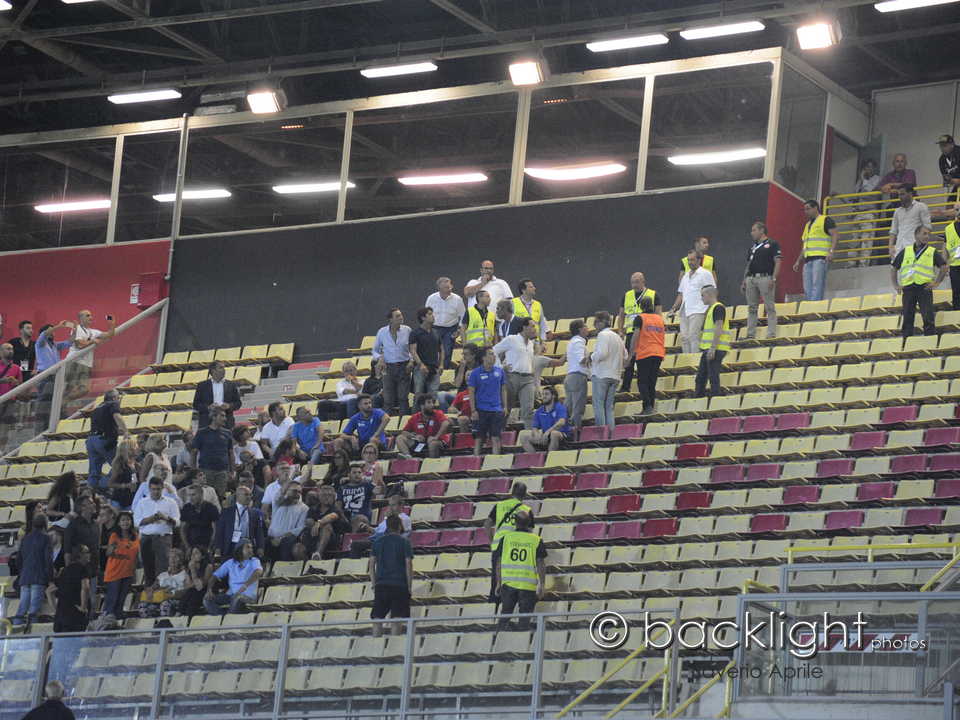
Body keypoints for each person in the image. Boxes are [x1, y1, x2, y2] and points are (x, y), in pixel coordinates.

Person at [892, 225, 948, 337]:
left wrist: (937, 282)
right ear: (916, 235)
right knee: (907, 317)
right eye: (924, 234)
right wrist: (896, 285)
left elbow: (944, 266)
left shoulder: (932, 251)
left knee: (928, 317)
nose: (927, 236)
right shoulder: (906, 251)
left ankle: (930, 340)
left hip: (924, 288)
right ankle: (906, 341)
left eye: (928, 234)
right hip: (908, 288)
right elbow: (894, 268)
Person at [484, 481, 533, 603]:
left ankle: (495, 607)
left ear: (512, 492)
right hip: (516, 547)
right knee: (514, 578)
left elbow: (487, 524)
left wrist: (492, 541)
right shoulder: (526, 510)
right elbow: (529, 532)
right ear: (524, 495)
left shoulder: (499, 505)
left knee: (496, 579)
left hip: (498, 547)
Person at [495, 511, 545, 630]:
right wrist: (542, 584)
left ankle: (499, 638)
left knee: (504, 618)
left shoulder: (506, 538)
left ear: (515, 522)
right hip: (528, 586)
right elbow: (541, 564)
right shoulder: (536, 539)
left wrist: (498, 582)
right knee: (524, 621)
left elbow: (498, 563)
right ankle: (521, 639)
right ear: (529, 523)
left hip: (508, 584)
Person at [369, 514, 413, 637]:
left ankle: (376, 644)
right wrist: (409, 586)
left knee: (377, 619)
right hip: (399, 584)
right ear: (399, 526)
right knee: (396, 620)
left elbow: (371, 565)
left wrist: (374, 584)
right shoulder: (405, 542)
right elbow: (408, 564)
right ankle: (394, 646)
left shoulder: (377, 542)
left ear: (387, 526)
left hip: (381, 584)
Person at [616, 272, 660, 392]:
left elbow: (658, 315)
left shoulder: (653, 294)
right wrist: (620, 330)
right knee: (629, 360)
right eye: (632, 282)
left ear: (643, 281)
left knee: (642, 361)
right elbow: (621, 315)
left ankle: (644, 388)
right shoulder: (627, 295)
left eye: (637, 282)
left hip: (646, 333)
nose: (634, 285)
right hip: (631, 332)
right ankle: (625, 386)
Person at [133, 476, 180, 586]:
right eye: (153, 489)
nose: (156, 492)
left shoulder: (171, 502)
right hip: (146, 538)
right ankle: (149, 593)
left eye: (158, 489)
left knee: (163, 568)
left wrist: (165, 518)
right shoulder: (142, 502)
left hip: (164, 538)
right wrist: (151, 519)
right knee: (148, 568)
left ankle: (162, 593)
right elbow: (136, 522)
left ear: (162, 488)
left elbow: (177, 523)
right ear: (149, 489)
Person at [493, 317, 537, 429]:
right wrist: (500, 367)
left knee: (529, 409)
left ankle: (529, 434)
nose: (534, 329)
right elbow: (493, 351)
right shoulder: (512, 339)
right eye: (532, 326)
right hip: (512, 377)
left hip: (528, 379)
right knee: (506, 408)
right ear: (524, 327)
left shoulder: (531, 344)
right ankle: (499, 433)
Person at [64, 309, 116, 403]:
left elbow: (109, 335)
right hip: (74, 362)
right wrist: (92, 341)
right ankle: (60, 405)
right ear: (81, 318)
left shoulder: (93, 332)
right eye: (87, 315)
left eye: (91, 315)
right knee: (68, 388)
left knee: (84, 390)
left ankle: (64, 401)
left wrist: (112, 324)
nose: (90, 317)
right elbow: (79, 344)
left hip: (86, 364)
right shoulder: (77, 329)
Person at [741, 220, 781, 339]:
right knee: (752, 308)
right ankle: (750, 334)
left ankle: (771, 333)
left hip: (765, 277)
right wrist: (744, 280)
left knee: (769, 307)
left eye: (754, 230)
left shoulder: (772, 244)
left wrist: (773, 278)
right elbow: (748, 264)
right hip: (751, 278)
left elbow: (778, 261)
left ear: (762, 230)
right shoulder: (752, 247)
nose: (751, 233)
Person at [668, 252, 715, 354]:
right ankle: (687, 359)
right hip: (685, 310)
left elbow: (712, 291)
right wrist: (673, 308)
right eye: (688, 260)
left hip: (699, 309)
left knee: (693, 336)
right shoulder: (685, 276)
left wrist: (711, 308)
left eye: (692, 260)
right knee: (684, 338)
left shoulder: (705, 274)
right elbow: (681, 294)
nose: (690, 262)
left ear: (699, 260)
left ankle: (695, 360)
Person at [792, 200, 838, 302]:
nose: (806, 212)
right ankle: (810, 305)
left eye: (808, 209)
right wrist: (798, 261)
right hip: (808, 260)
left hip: (820, 258)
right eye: (804, 209)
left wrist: (831, 251)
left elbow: (835, 235)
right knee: (807, 286)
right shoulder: (807, 225)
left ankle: (815, 306)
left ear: (815, 208)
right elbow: (805, 245)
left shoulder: (825, 220)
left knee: (817, 284)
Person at [13, 513, 53, 626]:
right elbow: (48, 560)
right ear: (45, 524)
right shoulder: (46, 538)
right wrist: (50, 578)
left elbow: (18, 559)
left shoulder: (25, 538)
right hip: (39, 577)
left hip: (25, 577)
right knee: (34, 610)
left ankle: (15, 630)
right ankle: (32, 633)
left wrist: (22, 572)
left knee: (22, 608)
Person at [372, 308, 413, 416]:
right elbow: (374, 351)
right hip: (388, 367)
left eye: (401, 315)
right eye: (397, 316)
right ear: (390, 319)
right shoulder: (382, 332)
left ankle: (404, 422)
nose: (401, 317)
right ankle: (387, 423)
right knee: (388, 398)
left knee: (403, 397)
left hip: (404, 366)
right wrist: (380, 358)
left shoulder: (407, 330)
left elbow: (413, 348)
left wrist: (411, 361)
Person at [33, 321, 73, 433]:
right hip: (45, 376)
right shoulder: (40, 343)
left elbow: (69, 342)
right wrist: (58, 326)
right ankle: (40, 431)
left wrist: (75, 330)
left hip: (56, 376)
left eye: (53, 331)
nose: (53, 332)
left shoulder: (55, 345)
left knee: (57, 402)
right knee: (44, 404)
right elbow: (45, 334)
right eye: (50, 330)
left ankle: (56, 429)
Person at [85, 389, 128, 492]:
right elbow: (117, 416)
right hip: (104, 440)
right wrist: (126, 431)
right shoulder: (113, 404)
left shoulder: (97, 408)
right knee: (120, 464)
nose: (119, 400)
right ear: (114, 398)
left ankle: (89, 493)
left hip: (91, 440)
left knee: (94, 471)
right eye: (118, 398)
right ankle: (105, 484)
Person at [589, 311, 625, 433]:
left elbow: (602, 353)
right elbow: (625, 356)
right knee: (609, 408)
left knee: (598, 405)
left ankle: (601, 435)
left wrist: (591, 356)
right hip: (615, 375)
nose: (594, 325)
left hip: (602, 375)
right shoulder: (617, 337)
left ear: (600, 322)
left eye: (595, 322)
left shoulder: (603, 335)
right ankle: (610, 434)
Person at [468, 346, 507, 456]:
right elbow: (471, 392)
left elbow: (503, 389)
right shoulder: (475, 373)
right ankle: (475, 461)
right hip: (481, 410)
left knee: (496, 438)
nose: (494, 356)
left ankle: (495, 461)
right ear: (483, 357)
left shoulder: (500, 371)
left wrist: (505, 406)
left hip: (496, 410)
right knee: (479, 439)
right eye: (491, 354)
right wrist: (473, 410)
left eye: (494, 354)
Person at [204, 540, 262, 615]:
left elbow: (258, 572)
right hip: (231, 596)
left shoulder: (254, 561)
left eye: (251, 547)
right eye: (248, 547)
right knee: (207, 600)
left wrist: (245, 585)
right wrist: (209, 590)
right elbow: (214, 576)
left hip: (247, 597)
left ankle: (228, 618)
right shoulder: (230, 563)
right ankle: (223, 616)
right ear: (240, 549)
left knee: (237, 598)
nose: (251, 550)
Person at [62, 495, 99, 615]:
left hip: (93, 569)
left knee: (92, 601)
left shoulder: (95, 525)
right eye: (90, 503)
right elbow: (67, 549)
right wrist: (69, 571)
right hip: (78, 571)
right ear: (82, 507)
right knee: (80, 601)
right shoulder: (73, 525)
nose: (94, 504)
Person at [630, 296, 666, 415]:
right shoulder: (659, 319)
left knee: (642, 382)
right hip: (658, 353)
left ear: (640, 306)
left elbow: (635, 336)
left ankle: (647, 407)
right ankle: (651, 407)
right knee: (652, 382)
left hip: (645, 353)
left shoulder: (640, 318)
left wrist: (631, 354)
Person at [101, 511, 139, 619]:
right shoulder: (115, 536)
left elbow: (136, 556)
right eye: (123, 520)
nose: (125, 522)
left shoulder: (135, 536)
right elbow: (108, 553)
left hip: (128, 572)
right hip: (115, 572)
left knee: (121, 601)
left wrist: (134, 571)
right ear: (118, 523)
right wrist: (117, 553)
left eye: (128, 519)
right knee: (112, 600)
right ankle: (106, 622)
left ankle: (117, 622)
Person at [694, 286, 730, 398]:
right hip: (710, 348)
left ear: (709, 295)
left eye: (702, 295)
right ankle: (699, 398)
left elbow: (719, 327)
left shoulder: (718, 308)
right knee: (701, 377)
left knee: (712, 376)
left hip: (715, 348)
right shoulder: (712, 309)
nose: (701, 298)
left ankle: (715, 399)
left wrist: (713, 348)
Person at [190, 408, 233, 499]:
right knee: (205, 497)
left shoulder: (227, 433)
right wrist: (193, 471)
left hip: (222, 472)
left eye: (225, 416)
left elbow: (231, 453)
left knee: (221, 498)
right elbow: (194, 452)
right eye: (222, 416)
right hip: (205, 471)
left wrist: (232, 471)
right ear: (213, 417)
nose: (225, 419)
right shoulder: (201, 432)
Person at [214, 484, 266, 558]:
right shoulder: (226, 512)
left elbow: (259, 532)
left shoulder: (255, 513)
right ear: (238, 496)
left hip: (248, 546)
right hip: (230, 546)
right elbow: (220, 531)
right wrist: (218, 548)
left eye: (250, 495)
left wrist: (260, 547)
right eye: (246, 495)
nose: (249, 497)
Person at [425, 276, 465, 370]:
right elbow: (426, 314)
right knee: (433, 351)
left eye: (450, 286)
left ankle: (444, 371)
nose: (449, 289)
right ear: (439, 288)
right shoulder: (431, 298)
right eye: (446, 287)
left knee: (447, 351)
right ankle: (433, 370)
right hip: (435, 328)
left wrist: (459, 330)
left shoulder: (457, 299)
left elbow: (463, 316)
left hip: (450, 329)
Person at [395, 394, 451, 459]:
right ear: (422, 405)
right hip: (421, 443)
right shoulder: (415, 417)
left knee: (433, 443)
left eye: (433, 402)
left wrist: (436, 437)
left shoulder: (438, 413)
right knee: (400, 438)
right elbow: (404, 432)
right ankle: (408, 457)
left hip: (438, 441)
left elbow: (446, 423)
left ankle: (432, 463)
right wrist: (415, 436)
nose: (432, 405)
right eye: (429, 403)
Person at [138, 548, 188, 618]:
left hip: (176, 601)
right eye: (170, 557)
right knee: (142, 606)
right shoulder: (162, 575)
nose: (172, 560)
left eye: (175, 557)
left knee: (165, 604)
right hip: (159, 600)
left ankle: (165, 623)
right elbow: (152, 587)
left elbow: (186, 591)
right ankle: (152, 623)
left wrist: (172, 594)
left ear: (181, 560)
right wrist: (150, 591)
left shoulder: (185, 574)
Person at [518, 386, 569, 452]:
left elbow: (561, 422)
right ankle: (536, 457)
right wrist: (537, 435)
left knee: (554, 434)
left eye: (546, 394)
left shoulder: (560, 407)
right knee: (523, 436)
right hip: (545, 436)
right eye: (543, 394)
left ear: (553, 396)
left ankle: (550, 457)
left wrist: (548, 432)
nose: (544, 396)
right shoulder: (539, 410)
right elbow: (535, 427)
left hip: (562, 435)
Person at [304, 484, 349, 559]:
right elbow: (308, 521)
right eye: (324, 495)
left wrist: (319, 523)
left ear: (334, 497)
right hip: (314, 538)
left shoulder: (336, 509)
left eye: (330, 495)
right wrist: (312, 523)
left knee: (327, 526)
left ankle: (318, 553)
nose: (327, 497)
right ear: (319, 496)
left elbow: (332, 516)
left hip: (332, 541)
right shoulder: (313, 509)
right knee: (298, 548)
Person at [53, 543, 91, 633]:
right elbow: (85, 587)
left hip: (60, 616)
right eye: (87, 552)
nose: (90, 554)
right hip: (75, 617)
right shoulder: (82, 569)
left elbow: (49, 591)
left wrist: (55, 609)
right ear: (80, 554)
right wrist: (83, 607)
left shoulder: (64, 571)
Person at [193, 360, 241, 429]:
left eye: (224, 368)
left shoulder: (231, 385)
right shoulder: (202, 386)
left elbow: (238, 403)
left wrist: (229, 406)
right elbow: (196, 404)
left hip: (227, 422)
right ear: (213, 370)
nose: (224, 370)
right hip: (207, 423)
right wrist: (208, 407)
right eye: (221, 368)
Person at [888, 185, 932, 261]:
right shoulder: (897, 211)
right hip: (899, 248)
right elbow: (893, 231)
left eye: (902, 194)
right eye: (899, 195)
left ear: (910, 193)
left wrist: (921, 245)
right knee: (896, 267)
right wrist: (890, 247)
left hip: (915, 247)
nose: (900, 197)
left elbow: (927, 227)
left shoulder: (921, 206)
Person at [267, 481, 308, 561]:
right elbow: (278, 495)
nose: (298, 494)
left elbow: (300, 528)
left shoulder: (304, 508)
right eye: (294, 491)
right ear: (286, 491)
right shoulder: (278, 503)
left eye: (299, 492)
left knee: (287, 542)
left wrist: (281, 538)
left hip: (288, 539)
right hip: (271, 538)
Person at [851, 159, 881, 266]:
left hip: (869, 213)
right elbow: (854, 196)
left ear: (875, 168)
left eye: (870, 167)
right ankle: (850, 264)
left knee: (866, 241)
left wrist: (863, 178)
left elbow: (868, 191)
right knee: (854, 242)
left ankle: (863, 265)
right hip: (857, 213)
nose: (868, 169)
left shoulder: (877, 179)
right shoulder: (860, 181)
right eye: (866, 167)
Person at [563, 319, 590, 438]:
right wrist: (594, 356)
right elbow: (582, 360)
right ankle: (575, 434)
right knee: (578, 407)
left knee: (568, 407)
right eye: (585, 326)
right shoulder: (579, 342)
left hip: (570, 376)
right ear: (580, 329)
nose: (588, 328)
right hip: (578, 377)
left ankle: (564, 430)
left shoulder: (572, 342)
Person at [337, 462, 381, 533]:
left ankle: (353, 539)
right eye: (354, 472)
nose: (357, 474)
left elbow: (378, 491)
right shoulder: (342, 488)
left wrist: (380, 484)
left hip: (362, 517)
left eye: (359, 472)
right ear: (349, 475)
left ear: (362, 474)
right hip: (345, 517)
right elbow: (338, 506)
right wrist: (342, 517)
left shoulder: (367, 485)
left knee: (359, 519)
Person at [409, 307, 443, 398]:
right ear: (423, 318)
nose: (433, 316)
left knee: (433, 395)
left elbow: (441, 350)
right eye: (430, 314)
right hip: (420, 369)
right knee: (418, 394)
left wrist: (441, 365)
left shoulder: (436, 332)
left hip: (434, 368)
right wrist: (421, 365)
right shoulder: (415, 333)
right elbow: (413, 350)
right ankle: (417, 408)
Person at [179, 484, 220, 550]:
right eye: (189, 495)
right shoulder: (186, 508)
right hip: (190, 544)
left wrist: (209, 547)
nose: (190, 498)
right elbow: (182, 529)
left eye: (193, 495)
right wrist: (187, 547)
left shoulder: (211, 508)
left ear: (201, 494)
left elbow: (215, 530)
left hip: (206, 544)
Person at [290, 406, 325, 478]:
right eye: (307, 412)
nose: (310, 413)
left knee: (316, 452)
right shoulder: (296, 426)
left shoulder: (315, 420)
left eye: (310, 411)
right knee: (291, 452)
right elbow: (293, 443)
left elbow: (321, 432)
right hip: (304, 451)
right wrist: (299, 451)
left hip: (316, 448)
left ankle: (307, 473)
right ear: (301, 417)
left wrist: (317, 445)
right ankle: (293, 474)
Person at [943, 201, 960, 311]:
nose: (959, 212)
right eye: (957, 210)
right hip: (955, 266)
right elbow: (945, 247)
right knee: (957, 293)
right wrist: (944, 265)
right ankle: (957, 315)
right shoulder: (948, 229)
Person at [938, 134, 960, 201]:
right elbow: (946, 178)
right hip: (958, 186)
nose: (942, 148)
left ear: (952, 145)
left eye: (944, 146)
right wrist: (948, 180)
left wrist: (956, 180)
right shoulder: (942, 160)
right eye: (940, 146)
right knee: (950, 203)